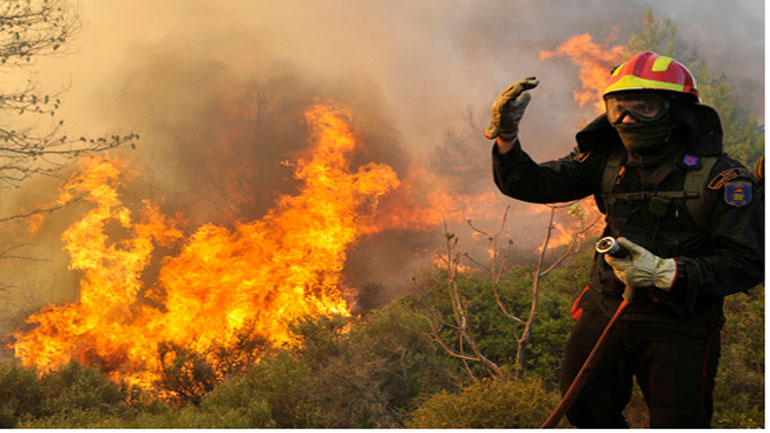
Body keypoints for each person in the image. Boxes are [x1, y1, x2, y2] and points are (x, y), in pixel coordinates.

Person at [486, 51, 764, 428]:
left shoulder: (723, 179)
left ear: (677, 112)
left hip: (681, 321)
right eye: (618, 108)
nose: (627, 119)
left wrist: (668, 272)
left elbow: (747, 263)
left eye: (644, 108)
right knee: (586, 411)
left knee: (679, 423)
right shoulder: (605, 160)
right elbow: (532, 183)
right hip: (606, 307)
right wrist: (507, 137)